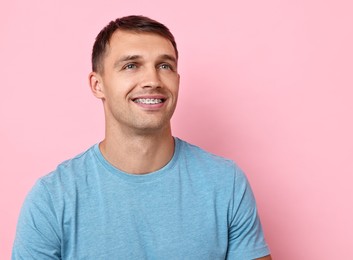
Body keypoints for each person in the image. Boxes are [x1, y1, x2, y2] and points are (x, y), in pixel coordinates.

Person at [12, 15, 272, 259]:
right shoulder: (52, 198)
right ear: (97, 84)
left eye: (164, 65)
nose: (153, 80)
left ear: (177, 80)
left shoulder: (226, 183)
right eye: (131, 65)